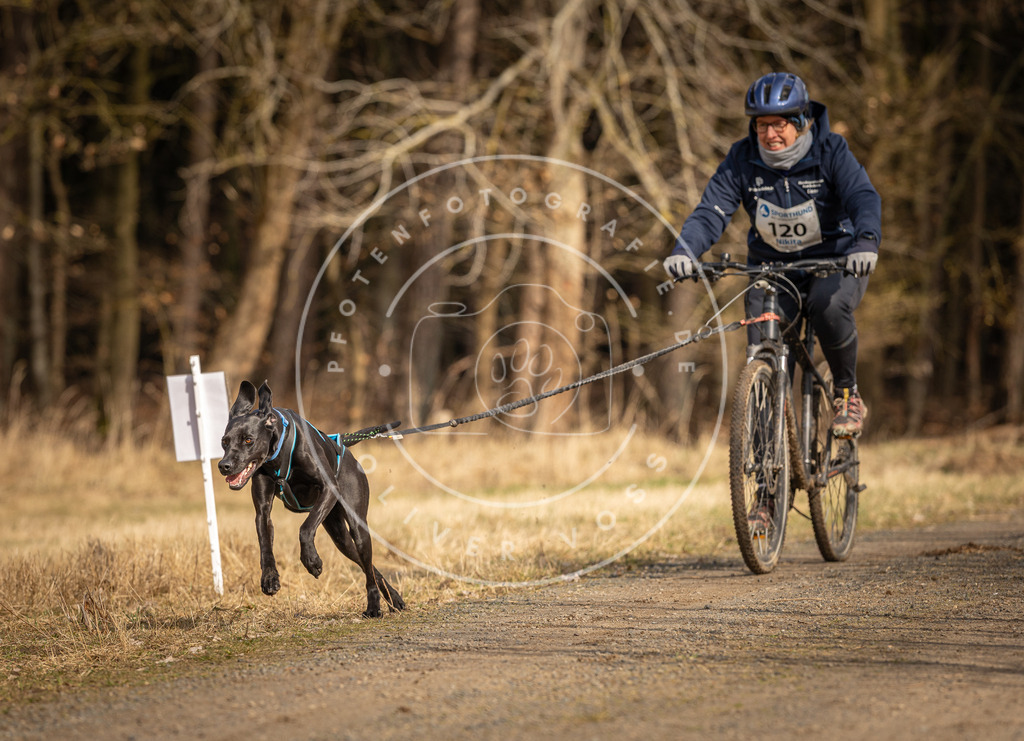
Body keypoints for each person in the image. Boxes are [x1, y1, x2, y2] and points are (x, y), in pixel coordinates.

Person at [664, 71, 881, 438]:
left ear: (800, 122)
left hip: (834, 261)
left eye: (779, 124)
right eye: (761, 125)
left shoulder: (831, 151)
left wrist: (866, 242)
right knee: (764, 354)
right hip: (773, 268)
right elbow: (711, 211)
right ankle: (767, 485)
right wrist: (685, 250)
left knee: (828, 307)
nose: (769, 134)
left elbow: (863, 198)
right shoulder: (742, 159)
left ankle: (846, 393)